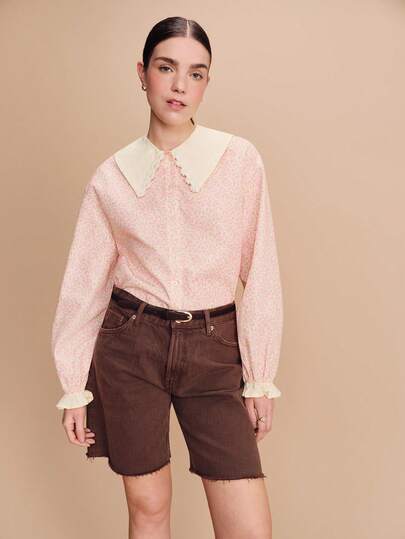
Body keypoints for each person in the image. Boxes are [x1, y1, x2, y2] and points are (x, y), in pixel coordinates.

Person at [51, 15, 284, 539]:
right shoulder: (111, 178)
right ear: (142, 73)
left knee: (249, 528)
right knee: (148, 510)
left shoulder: (239, 161)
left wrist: (260, 376)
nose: (180, 85)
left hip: (215, 347)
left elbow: (261, 269)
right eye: (166, 68)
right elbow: (84, 285)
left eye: (196, 73)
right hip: (131, 346)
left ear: (206, 82)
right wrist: (73, 386)